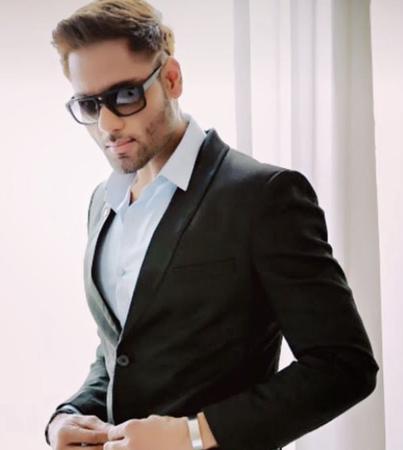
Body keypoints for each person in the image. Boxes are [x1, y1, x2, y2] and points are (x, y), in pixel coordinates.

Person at [45, 1, 379, 449]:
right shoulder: (102, 203)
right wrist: (68, 415)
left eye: (125, 96)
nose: (107, 124)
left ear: (171, 79)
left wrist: (194, 434)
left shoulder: (264, 196)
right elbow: (121, 351)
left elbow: (343, 366)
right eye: (89, 104)